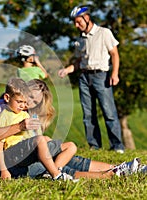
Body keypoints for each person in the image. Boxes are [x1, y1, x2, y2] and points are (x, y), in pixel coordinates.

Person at [0, 78, 142, 180]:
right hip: (5, 166)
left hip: (23, 158)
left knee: (65, 155)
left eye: (34, 102)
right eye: (29, 97)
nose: (29, 104)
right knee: (61, 165)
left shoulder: (23, 112)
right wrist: (21, 126)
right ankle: (112, 175)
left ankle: (121, 167)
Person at [58, 5, 125, 153]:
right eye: (74, 22)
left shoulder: (104, 33)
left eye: (78, 21)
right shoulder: (80, 40)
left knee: (109, 112)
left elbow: (114, 54)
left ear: (86, 18)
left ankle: (117, 146)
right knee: (88, 114)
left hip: (102, 76)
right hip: (84, 76)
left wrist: (115, 74)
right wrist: (67, 70)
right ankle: (94, 146)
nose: (76, 25)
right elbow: (79, 61)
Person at [0, 78, 76, 180]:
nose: (27, 103)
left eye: (35, 102)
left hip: (28, 152)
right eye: (29, 97)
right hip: (13, 153)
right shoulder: (5, 115)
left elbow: (36, 137)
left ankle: (52, 171)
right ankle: (56, 175)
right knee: (41, 139)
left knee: (71, 146)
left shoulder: (26, 115)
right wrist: (3, 170)